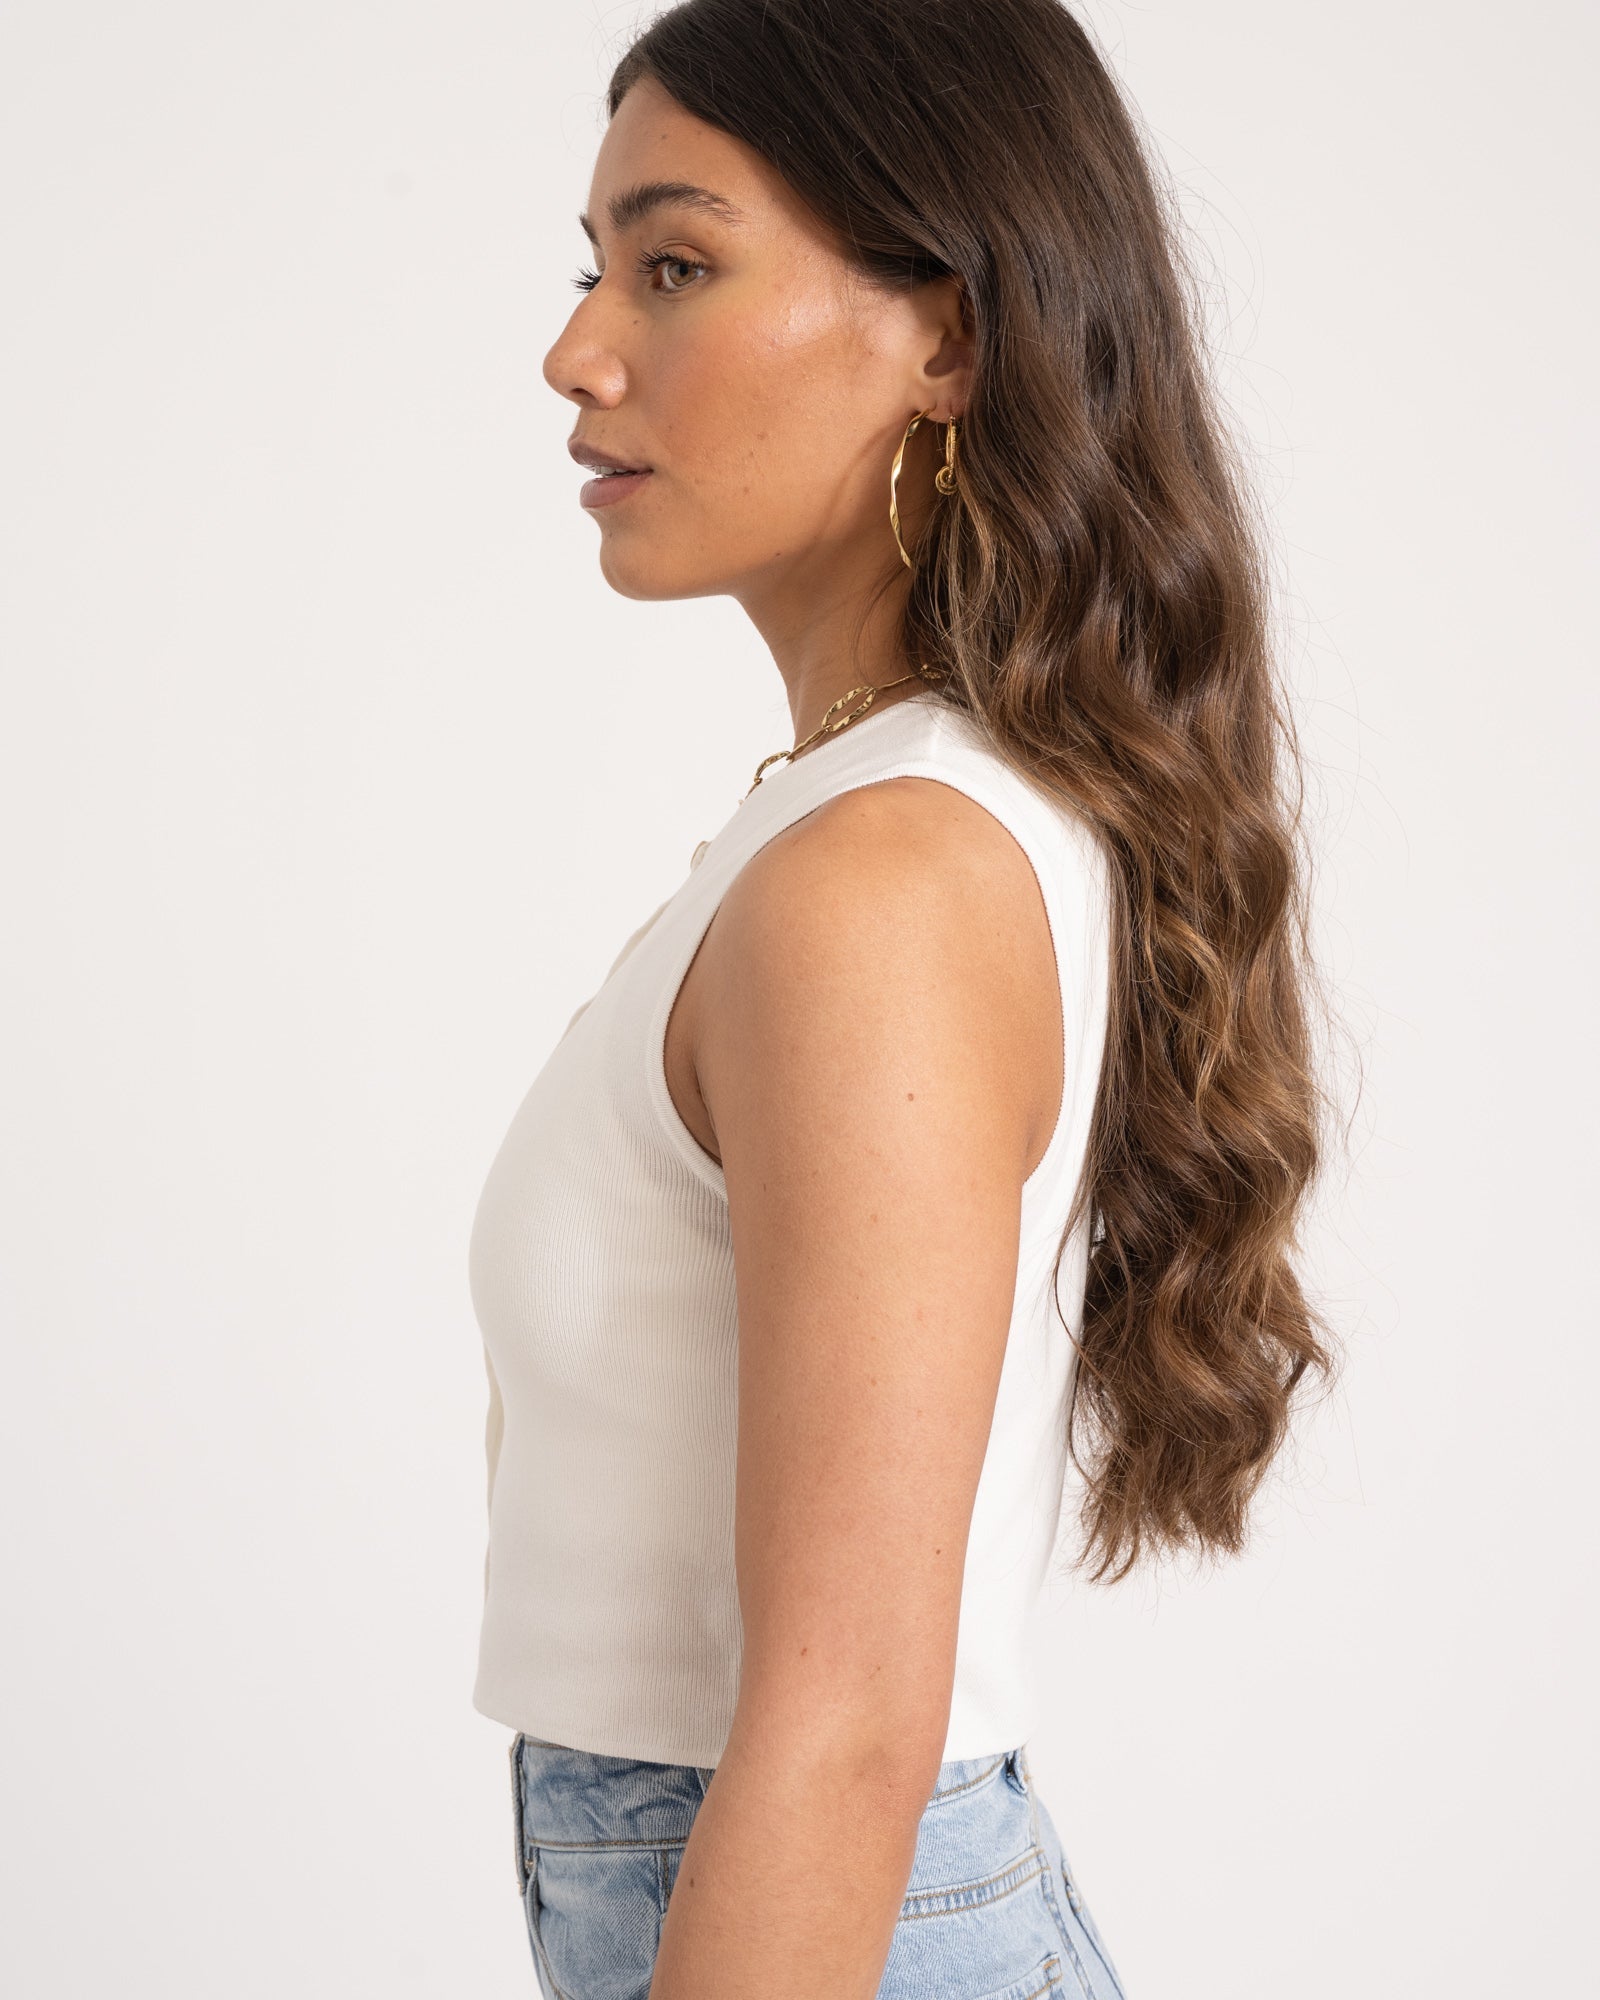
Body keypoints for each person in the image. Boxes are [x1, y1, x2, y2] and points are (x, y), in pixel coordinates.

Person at [469, 3, 1334, 1995]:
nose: (577, 351)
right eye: (590, 267)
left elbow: (846, 1726)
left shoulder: (878, 882)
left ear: (946, 334)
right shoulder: (862, 821)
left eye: (673, 268)